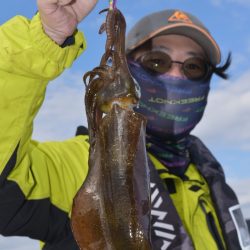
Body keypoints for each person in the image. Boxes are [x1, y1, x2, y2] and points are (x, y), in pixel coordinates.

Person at [0, 1, 249, 250]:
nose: (176, 77)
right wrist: (45, 38)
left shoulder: (209, 179)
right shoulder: (80, 164)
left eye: (194, 67)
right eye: (157, 62)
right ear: (131, 71)